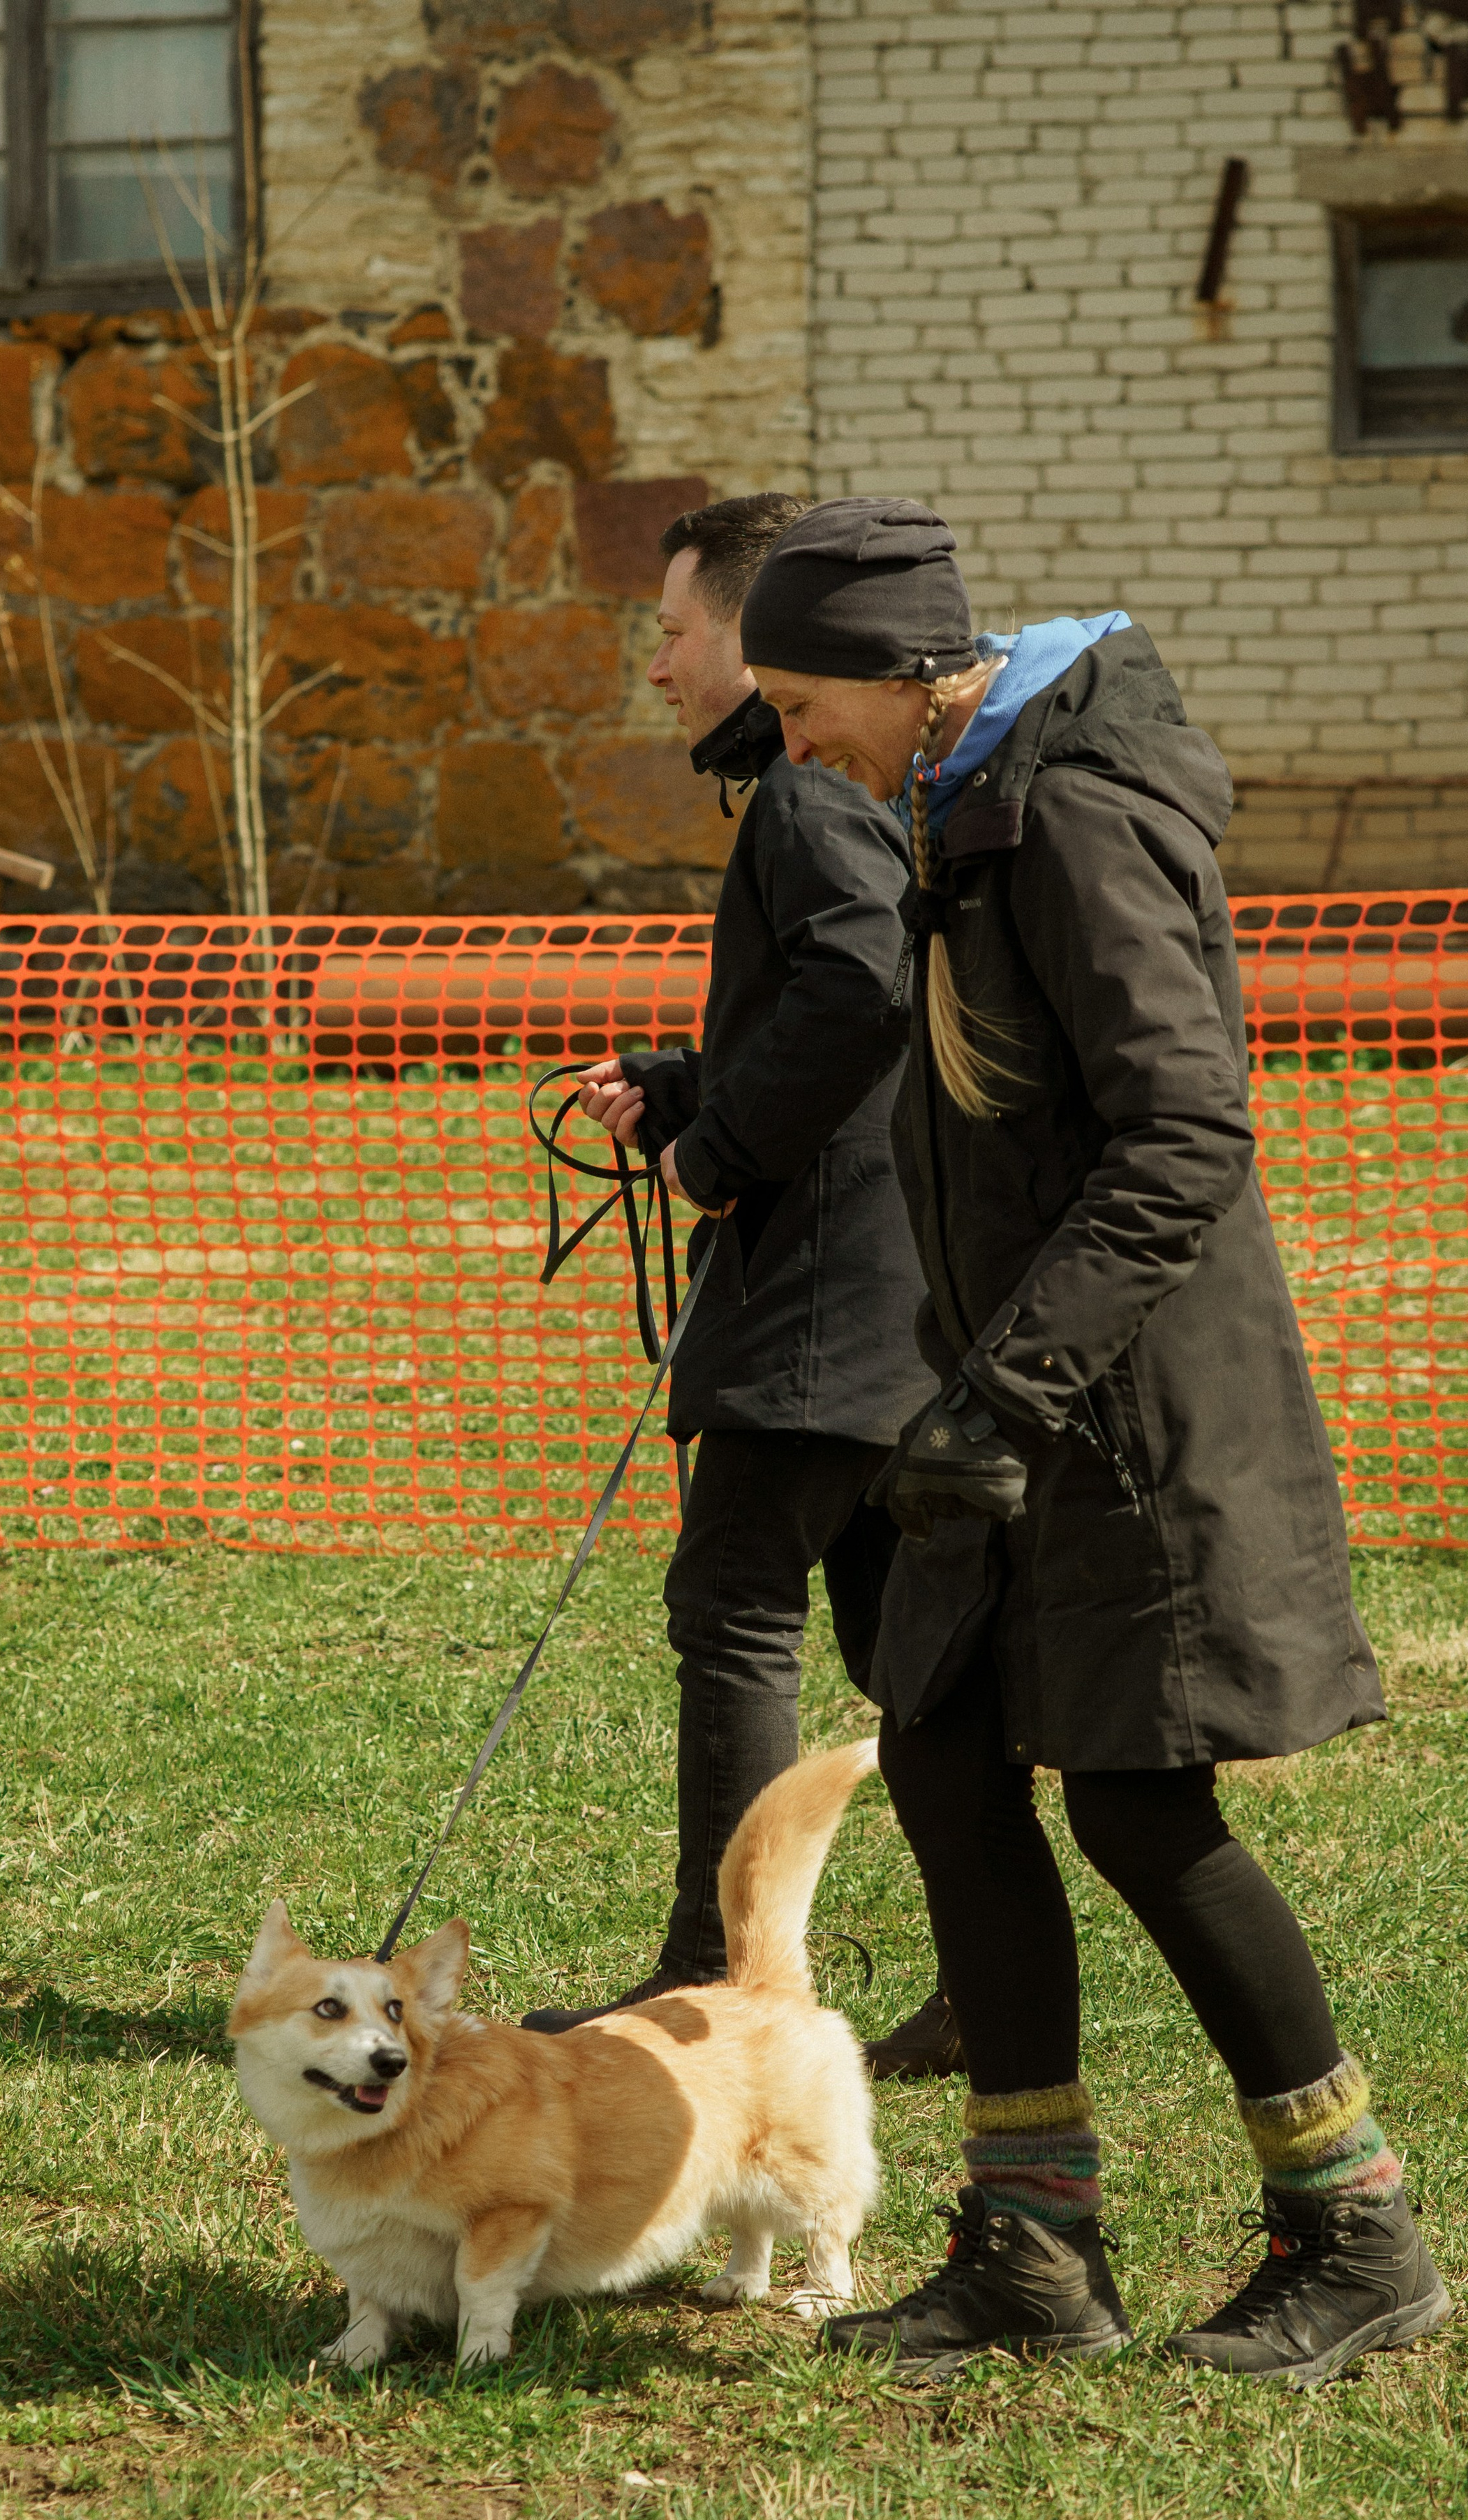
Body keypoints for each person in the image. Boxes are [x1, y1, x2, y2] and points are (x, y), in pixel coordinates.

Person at [735, 496, 1452, 2385]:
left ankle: (1355, 2231)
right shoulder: (959, 809)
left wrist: (1006, 1392)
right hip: (1006, 1407)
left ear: (909, 677)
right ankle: (1034, 2256)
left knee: (1142, 1804)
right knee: (947, 1754)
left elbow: (1183, 1136)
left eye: (805, 703)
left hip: (1128, 1411)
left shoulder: (1067, 808)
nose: (788, 741)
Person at [521, 494, 952, 2066]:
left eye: (672, 630)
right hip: (900, 1294)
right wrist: (691, 1082)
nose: (656, 666)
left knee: (734, 1606)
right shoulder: (849, 787)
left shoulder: (798, 793)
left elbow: (853, 997)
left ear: (756, 642)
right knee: (916, 1655)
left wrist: (712, 1156)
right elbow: (840, 1010)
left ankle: (711, 1982)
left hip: (827, 1305)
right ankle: (986, 1980)